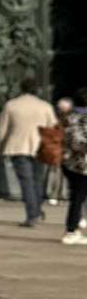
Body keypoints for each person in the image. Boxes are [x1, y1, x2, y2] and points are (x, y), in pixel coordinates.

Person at [0, 74, 57, 226]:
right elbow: (53, 129)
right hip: (40, 147)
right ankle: (37, 210)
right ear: (37, 90)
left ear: (21, 88)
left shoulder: (11, 105)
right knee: (38, 180)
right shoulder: (45, 106)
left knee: (26, 182)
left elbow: (3, 129)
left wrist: (1, 147)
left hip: (18, 146)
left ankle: (32, 215)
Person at [61, 87, 87, 246]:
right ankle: (71, 230)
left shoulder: (70, 117)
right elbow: (78, 142)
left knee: (77, 196)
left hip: (70, 162)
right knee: (78, 197)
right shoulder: (82, 118)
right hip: (82, 163)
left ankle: (74, 228)